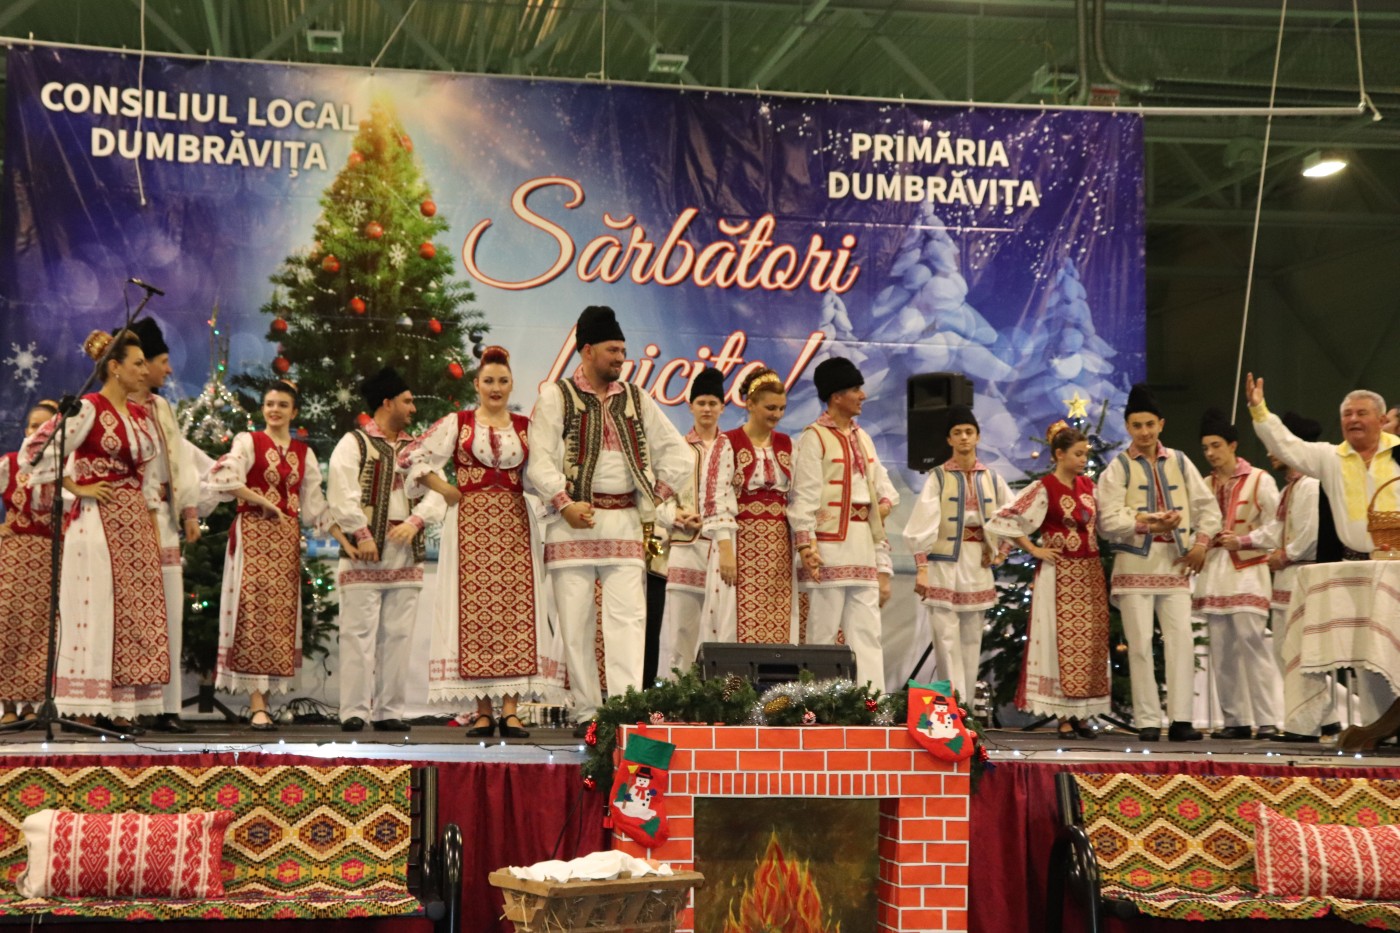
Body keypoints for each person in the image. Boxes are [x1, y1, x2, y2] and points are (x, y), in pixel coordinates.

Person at [526, 306, 692, 726]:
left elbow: (680, 454)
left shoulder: (636, 398)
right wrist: (564, 502)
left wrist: (655, 496)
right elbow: (538, 461)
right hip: (571, 525)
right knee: (576, 624)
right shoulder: (557, 396)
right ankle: (587, 711)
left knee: (628, 621)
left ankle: (623, 709)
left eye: (622, 349)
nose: (621, 358)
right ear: (587, 351)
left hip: (624, 523)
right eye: (612, 350)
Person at [402, 347, 564, 738]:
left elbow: (540, 474)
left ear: (512, 385)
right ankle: (482, 711)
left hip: (513, 525)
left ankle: (511, 711)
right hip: (470, 527)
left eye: (503, 381)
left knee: (515, 613)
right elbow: (411, 455)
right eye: (489, 381)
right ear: (476, 384)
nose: (496, 387)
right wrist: (445, 488)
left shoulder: (525, 427)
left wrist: (558, 499)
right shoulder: (458, 423)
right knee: (472, 612)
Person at [22, 331, 167, 731]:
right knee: (96, 607)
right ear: (115, 367)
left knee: (129, 613)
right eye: (138, 363)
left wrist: (151, 527)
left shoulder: (139, 415)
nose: (144, 370)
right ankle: (84, 707)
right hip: (97, 522)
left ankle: (117, 707)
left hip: (133, 522)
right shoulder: (88, 407)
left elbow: (149, 480)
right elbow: (36, 451)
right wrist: (75, 486)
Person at [1246, 374, 1400, 735]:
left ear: (1381, 419)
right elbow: (1286, 445)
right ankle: (1376, 729)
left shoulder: (1399, 453)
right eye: (1347, 414)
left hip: (1397, 570)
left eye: (1361, 413)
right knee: (1365, 652)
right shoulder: (1331, 457)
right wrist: (1259, 410)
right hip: (1355, 568)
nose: (1353, 419)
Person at [1096, 383, 1221, 742]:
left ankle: (1181, 720)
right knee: (1139, 645)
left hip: (1175, 563)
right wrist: (1147, 523)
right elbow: (1107, 521)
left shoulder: (1179, 462)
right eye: (1137, 425)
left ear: (1161, 424)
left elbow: (1208, 508)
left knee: (1181, 641)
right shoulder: (1118, 468)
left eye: (1150, 424)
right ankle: (1148, 720)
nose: (1145, 432)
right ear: (1128, 427)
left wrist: (1201, 545)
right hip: (1135, 565)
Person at [205, 380, 329, 730]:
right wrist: (263, 501)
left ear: (294, 411)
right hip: (253, 533)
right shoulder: (249, 441)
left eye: (282, 405)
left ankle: (264, 701)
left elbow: (315, 505)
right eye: (270, 404)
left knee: (278, 616)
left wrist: (347, 538)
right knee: (252, 610)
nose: (275, 410)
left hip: (285, 540)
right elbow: (225, 477)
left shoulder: (304, 453)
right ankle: (257, 703)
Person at [327, 367, 444, 733]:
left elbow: (438, 491)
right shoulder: (354, 443)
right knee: (357, 634)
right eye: (407, 401)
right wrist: (361, 533)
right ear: (387, 402)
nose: (413, 409)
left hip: (405, 551)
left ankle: (389, 710)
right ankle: (354, 710)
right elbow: (340, 491)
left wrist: (416, 521)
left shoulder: (417, 449)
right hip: (364, 551)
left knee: (398, 635)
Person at [987, 422, 1110, 735]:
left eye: (1085, 454)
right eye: (1077, 454)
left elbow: (1106, 523)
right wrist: (1033, 549)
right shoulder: (1045, 488)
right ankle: (1063, 716)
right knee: (1058, 641)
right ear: (1059, 454)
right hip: (1058, 574)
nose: (1083, 459)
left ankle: (1082, 713)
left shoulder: (1090, 487)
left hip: (1089, 574)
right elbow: (1004, 519)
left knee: (1089, 643)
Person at [788, 356, 898, 692]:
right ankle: (815, 704)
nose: (862, 395)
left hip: (863, 546)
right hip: (829, 548)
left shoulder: (863, 438)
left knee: (867, 632)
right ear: (836, 396)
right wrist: (806, 545)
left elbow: (885, 487)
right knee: (822, 632)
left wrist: (882, 505)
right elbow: (803, 498)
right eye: (855, 389)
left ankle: (872, 704)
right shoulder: (815, 437)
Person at [903, 404, 1013, 706]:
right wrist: (922, 568)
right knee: (945, 638)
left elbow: (1014, 516)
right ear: (949, 440)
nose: (964, 437)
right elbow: (920, 525)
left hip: (977, 563)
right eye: (957, 432)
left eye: (969, 431)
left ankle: (967, 709)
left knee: (971, 638)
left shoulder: (991, 478)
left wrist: (1001, 551)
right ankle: (952, 706)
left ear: (977, 436)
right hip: (943, 564)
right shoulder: (938, 477)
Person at [122, 318, 201, 734]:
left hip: (163, 523)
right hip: (122, 522)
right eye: (162, 362)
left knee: (170, 611)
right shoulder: (110, 409)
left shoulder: (161, 408)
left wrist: (189, 511)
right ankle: (128, 707)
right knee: (129, 615)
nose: (168, 370)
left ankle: (167, 707)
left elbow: (179, 461)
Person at [1194, 407, 1282, 740]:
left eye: (1216, 445)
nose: (1210, 453)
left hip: (1248, 571)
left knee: (1253, 644)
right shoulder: (1204, 484)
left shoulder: (1260, 479)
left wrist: (1245, 540)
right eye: (1206, 447)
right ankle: (1236, 720)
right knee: (1222, 650)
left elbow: (1277, 526)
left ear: (1233, 445)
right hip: (1215, 574)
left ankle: (1268, 718)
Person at [1250, 411, 1334, 743]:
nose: (1270, 451)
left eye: (1276, 445)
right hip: (1288, 580)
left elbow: (1309, 536)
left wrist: (1282, 555)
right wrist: (1243, 541)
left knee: (1299, 653)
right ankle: (1326, 719)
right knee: (1288, 652)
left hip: (1302, 576)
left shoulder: (1310, 485)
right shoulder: (1293, 486)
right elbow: (1277, 529)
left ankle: (1304, 725)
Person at [700, 367, 796, 648]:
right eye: (770, 408)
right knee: (732, 616)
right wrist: (726, 550)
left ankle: (776, 677)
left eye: (781, 408)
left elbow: (799, 497)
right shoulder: (728, 442)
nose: (777, 415)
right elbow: (715, 496)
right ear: (750, 404)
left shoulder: (787, 445)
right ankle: (732, 678)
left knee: (777, 618)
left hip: (779, 547)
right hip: (738, 542)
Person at [656, 368, 724, 674]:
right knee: (682, 632)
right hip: (685, 548)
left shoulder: (731, 449)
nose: (707, 409)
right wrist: (676, 516)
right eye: (701, 403)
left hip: (722, 551)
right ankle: (679, 693)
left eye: (712, 403)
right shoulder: (678, 450)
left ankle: (722, 695)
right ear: (690, 406)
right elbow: (657, 499)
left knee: (721, 630)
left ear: (722, 407)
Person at [0, 400, 60, 724]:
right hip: (14, 556)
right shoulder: (9, 464)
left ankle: (33, 706)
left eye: (44, 427)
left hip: (51, 557)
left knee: (43, 631)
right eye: (33, 426)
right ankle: (8, 704)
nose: (37, 432)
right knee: (7, 626)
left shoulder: (64, 471)